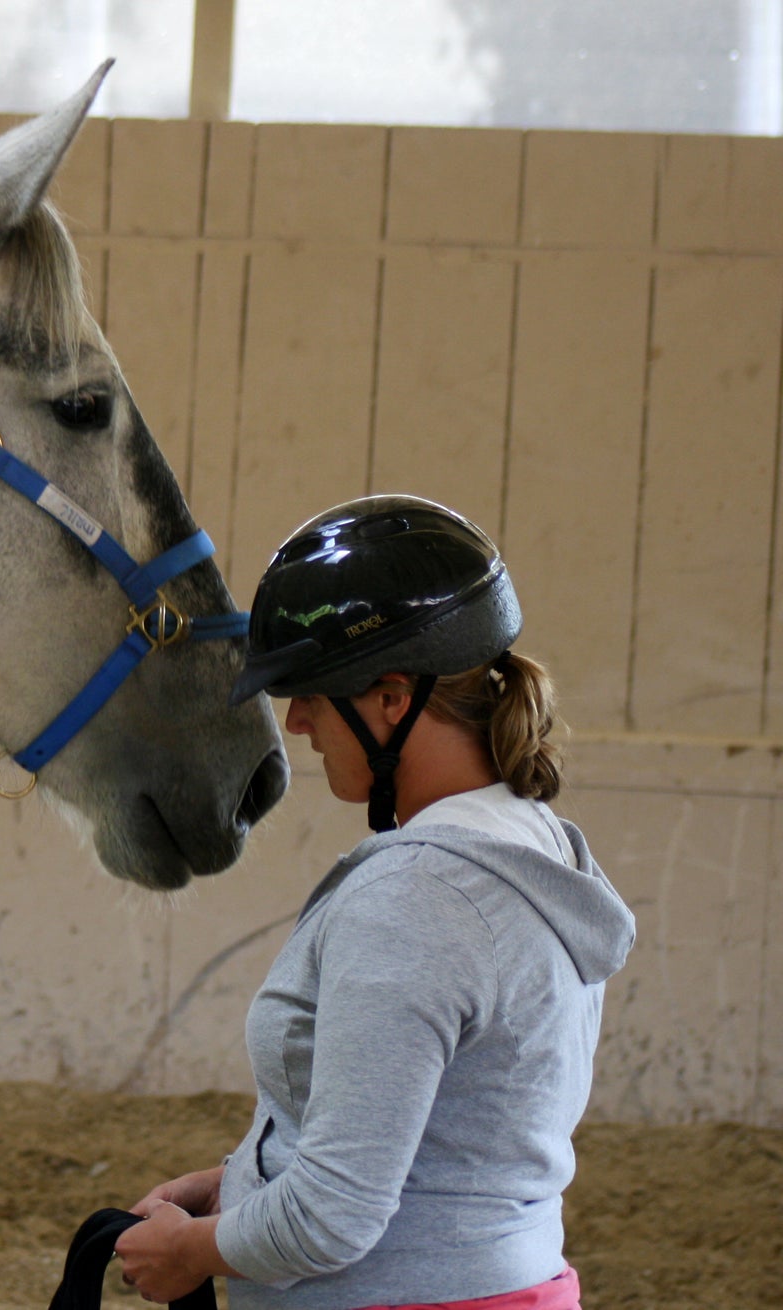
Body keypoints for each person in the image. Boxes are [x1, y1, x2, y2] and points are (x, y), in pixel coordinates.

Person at [114, 495, 636, 1310]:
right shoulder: (534, 850)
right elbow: (448, 1141)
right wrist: (241, 1182)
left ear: (393, 697)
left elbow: (333, 1216)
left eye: (315, 694)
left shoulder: (418, 900)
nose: (296, 722)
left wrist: (193, 1253)